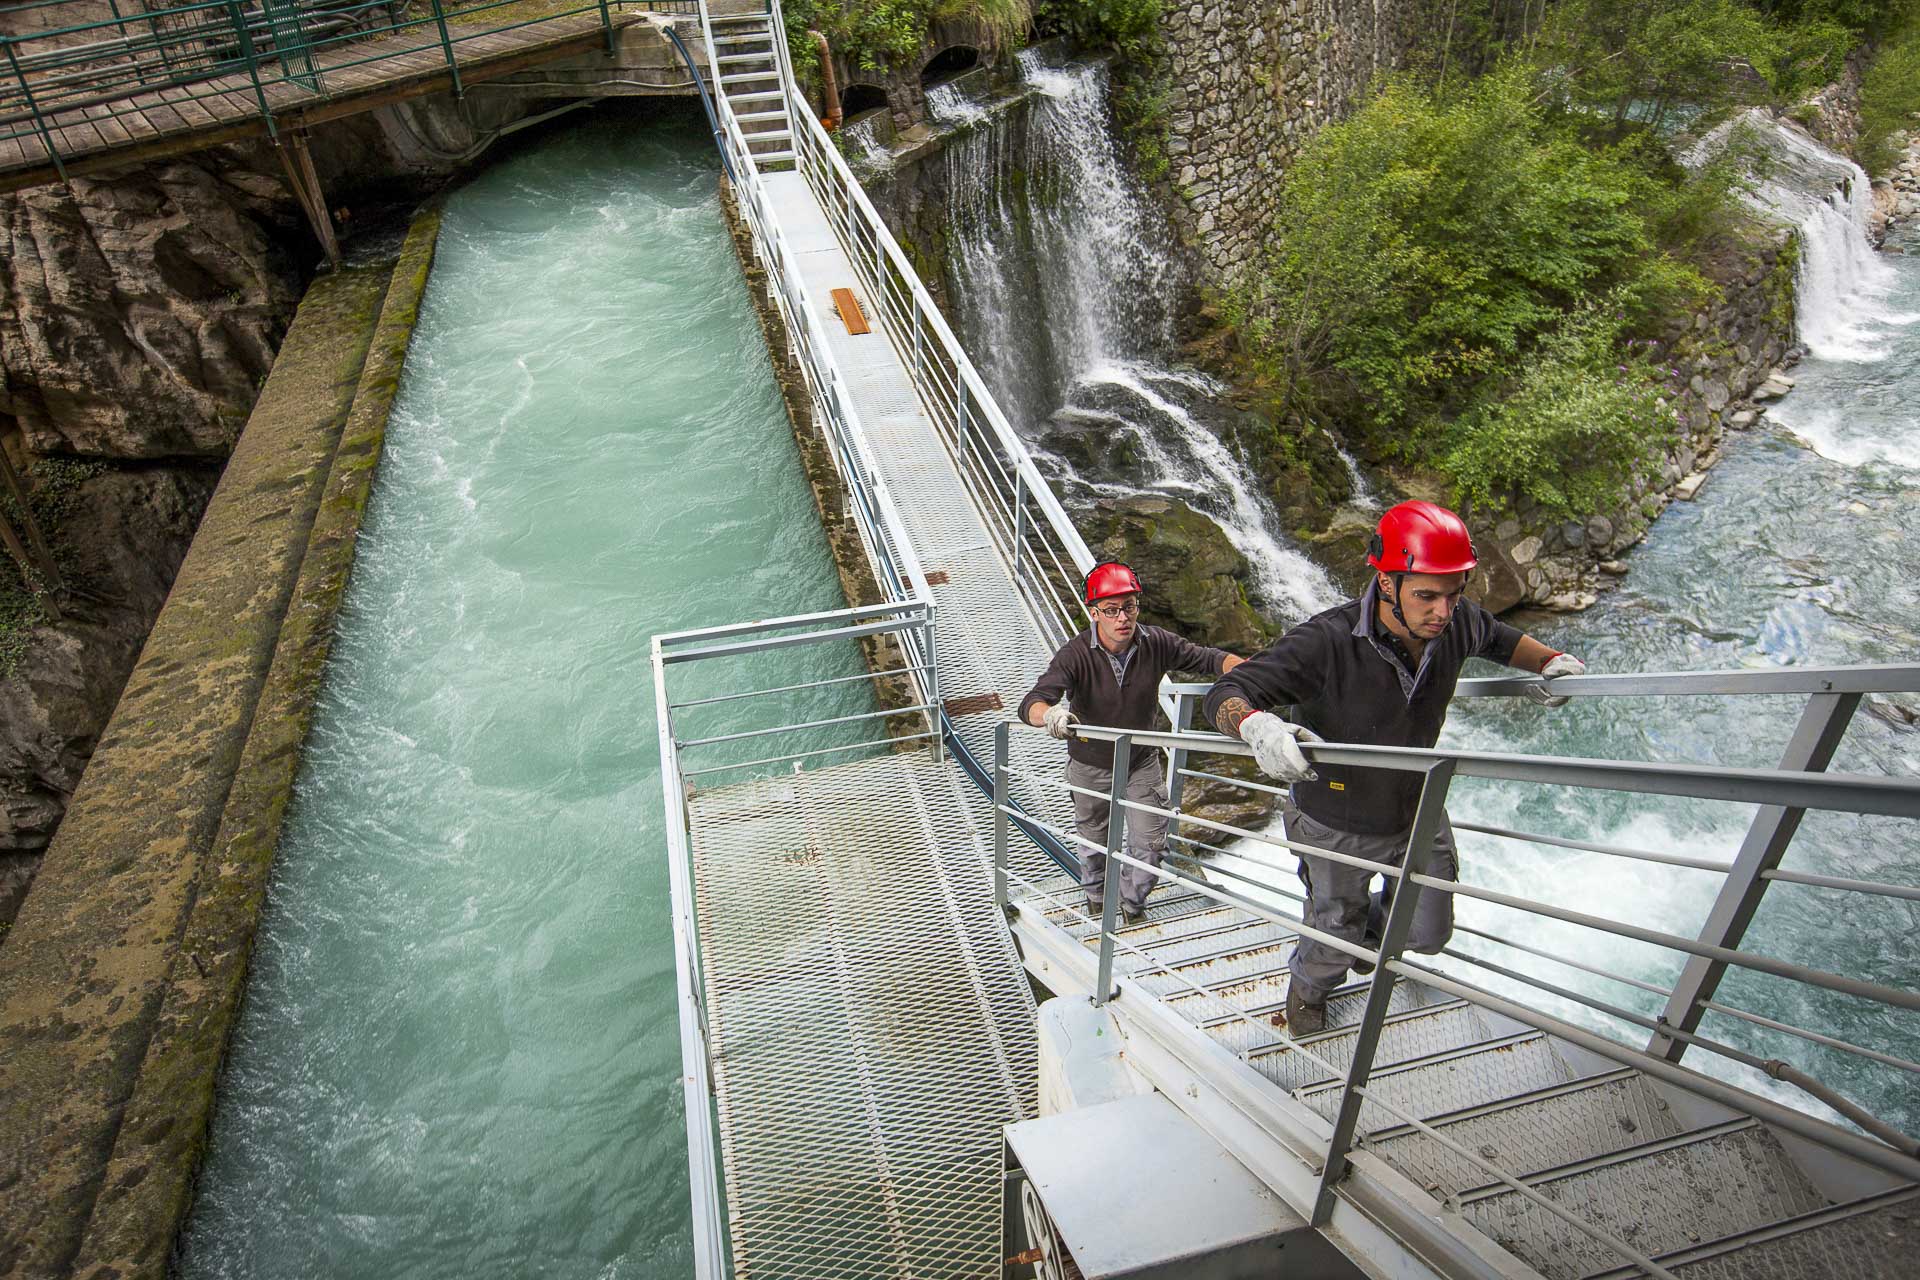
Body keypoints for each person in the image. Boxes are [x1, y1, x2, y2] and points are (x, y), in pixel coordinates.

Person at [1201, 500, 1586, 1034]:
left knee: (1428, 933)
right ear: (1385, 583)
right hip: (1335, 820)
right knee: (1333, 930)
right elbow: (1228, 690)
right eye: (1426, 595)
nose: (1442, 612)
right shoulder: (1324, 642)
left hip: (1417, 809)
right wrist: (1255, 726)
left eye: (1453, 595)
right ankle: (1307, 992)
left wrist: (1547, 660)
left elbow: (1499, 639)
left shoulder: (1457, 623)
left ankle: (1369, 937)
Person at [1020, 562, 1246, 923]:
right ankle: (1096, 896)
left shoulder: (1155, 642)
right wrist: (1049, 715)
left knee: (1152, 841)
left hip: (1141, 761)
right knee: (1094, 838)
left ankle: (1129, 903)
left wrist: (1256, 672)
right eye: (1111, 610)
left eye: (1130, 606)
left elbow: (1208, 658)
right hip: (1090, 765)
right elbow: (1032, 701)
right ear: (1094, 613)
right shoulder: (1075, 655)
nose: (1123, 617)